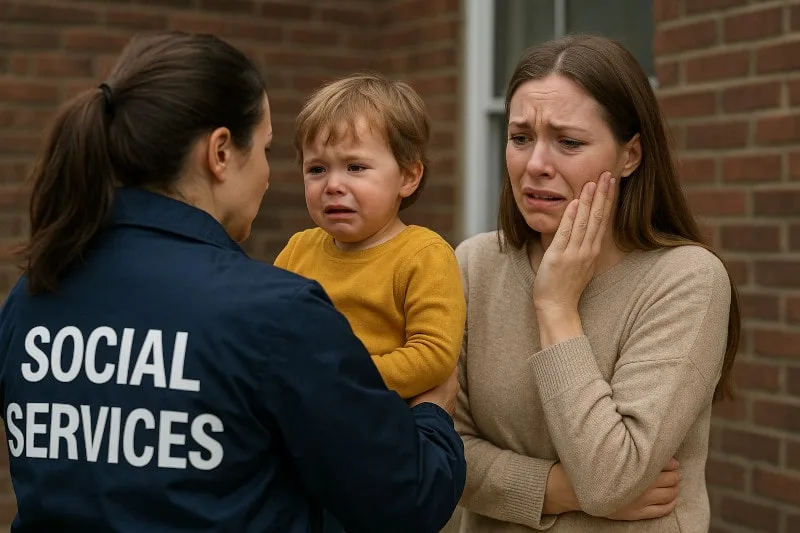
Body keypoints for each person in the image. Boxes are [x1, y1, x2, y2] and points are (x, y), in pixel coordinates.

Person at [0, 31, 465, 533]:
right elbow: (406, 499)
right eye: (266, 150)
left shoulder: (33, 294)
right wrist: (432, 418)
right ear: (220, 152)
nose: (268, 176)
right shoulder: (274, 311)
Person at [453, 34, 740, 532]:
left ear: (630, 156)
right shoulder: (474, 265)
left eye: (568, 142)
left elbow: (610, 479)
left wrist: (556, 307)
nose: (535, 165)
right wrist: (551, 488)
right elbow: (432, 451)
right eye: (520, 138)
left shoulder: (685, 279)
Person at [274, 74, 465, 400]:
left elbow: (433, 355)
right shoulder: (297, 251)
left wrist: (339, 377)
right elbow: (268, 329)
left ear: (407, 176)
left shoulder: (423, 255)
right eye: (317, 169)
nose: (333, 185)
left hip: (380, 419)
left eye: (355, 167)